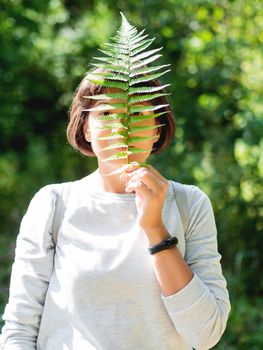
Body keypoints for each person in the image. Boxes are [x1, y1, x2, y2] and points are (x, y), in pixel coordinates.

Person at [0, 71, 230, 350]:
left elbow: (206, 335)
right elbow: (19, 329)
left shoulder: (189, 204)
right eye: (107, 113)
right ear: (86, 127)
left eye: (137, 114)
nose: (122, 129)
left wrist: (155, 229)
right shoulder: (54, 204)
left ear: (157, 129)